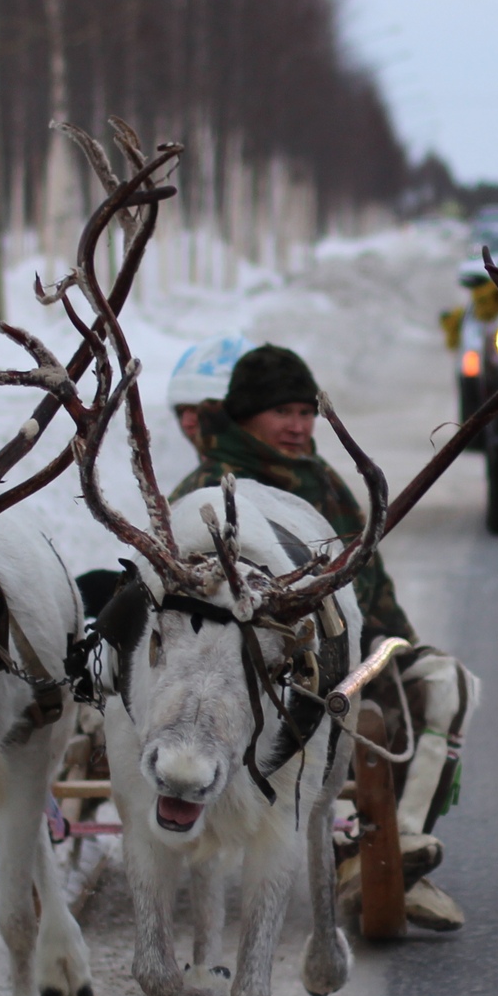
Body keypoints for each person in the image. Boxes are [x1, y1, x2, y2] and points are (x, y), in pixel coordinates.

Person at [171, 343, 475, 932]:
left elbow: (370, 580)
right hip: (264, 677)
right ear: (244, 416)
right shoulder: (209, 489)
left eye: (306, 412)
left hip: (349, 655)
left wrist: (397, 649)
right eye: (282, 412)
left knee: (446, 682)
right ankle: (375, 860)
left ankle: (394, 849)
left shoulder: (321, 478)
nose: (298, 425)